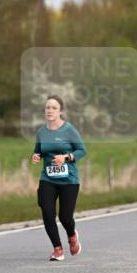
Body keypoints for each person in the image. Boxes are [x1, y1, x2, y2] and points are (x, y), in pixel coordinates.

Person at [31, 96, 86, 261]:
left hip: (69, 179)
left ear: (60, 111)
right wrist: (36, 156)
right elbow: (38, 151)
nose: (50, 111)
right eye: (47, 107)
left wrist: (66, 157)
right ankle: (58, 249)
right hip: (48, 178)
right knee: (47, 212)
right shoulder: (41, 132)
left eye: (54, 108)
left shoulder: (68, 130)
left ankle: (72, 235)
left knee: (65, 217)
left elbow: (82, 150)